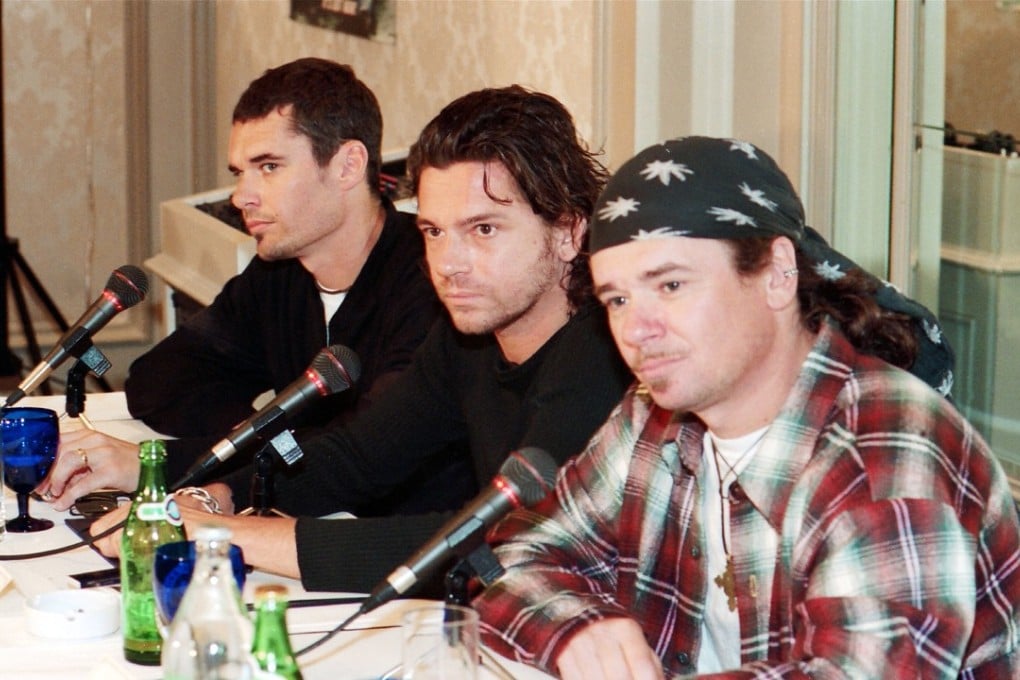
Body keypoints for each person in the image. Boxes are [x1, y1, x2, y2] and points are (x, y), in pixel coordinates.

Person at [472, 137, 1019, 679]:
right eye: (618, 299)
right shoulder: (651, 417)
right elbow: (514, 553)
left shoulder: (886, 448)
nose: (636, 330)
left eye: (671, 284)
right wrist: (574, 626)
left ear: (778, 272)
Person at [88, 86, 635, 594]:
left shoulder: (606, 356)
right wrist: (220, 495)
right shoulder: (468, 337)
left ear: (569, 232)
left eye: (484, 230)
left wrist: (224, 534)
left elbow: (500, 541)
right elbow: (356, 457)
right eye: (434, 232)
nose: (449, 264)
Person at [39, 57, 464, 517]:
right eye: (240, 172)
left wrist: (152, 466)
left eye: (269, 167)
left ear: (347, 166)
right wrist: (260, 433)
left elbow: (367, 450)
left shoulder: (434, 282)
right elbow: (158, 381)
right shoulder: (280, 273)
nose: (242, 196)